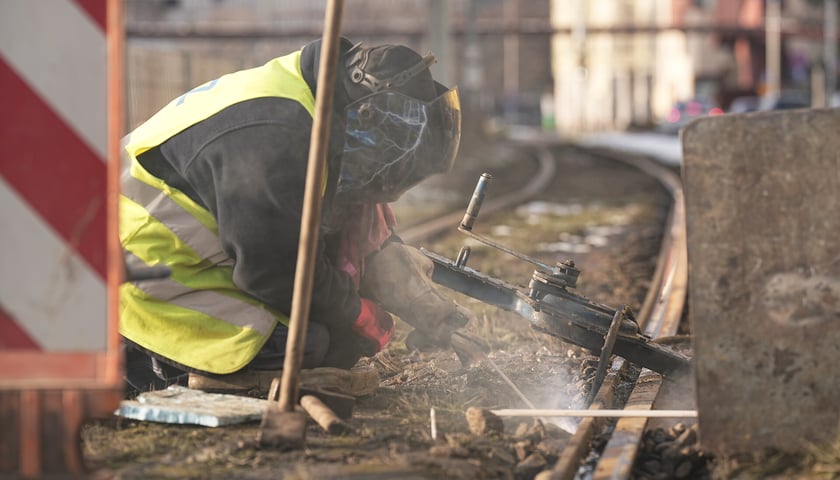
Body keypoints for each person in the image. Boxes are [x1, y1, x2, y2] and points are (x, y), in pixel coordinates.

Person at [119, 37, 473, 396]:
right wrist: (357, 311)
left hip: (189, 257)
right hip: (135, 276)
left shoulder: (315, 104)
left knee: (335, 336)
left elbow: (323, 226)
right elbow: (275, 272)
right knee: (311, 342)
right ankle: (154, 371)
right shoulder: (276, 139)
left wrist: (395, 277)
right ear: (370, 116)